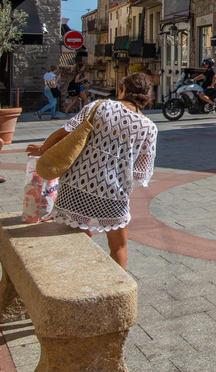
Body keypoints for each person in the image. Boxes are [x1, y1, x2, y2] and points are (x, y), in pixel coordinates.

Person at [26, 72, 157, 269]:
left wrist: (42, 150)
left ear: (123, 89)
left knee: (78, 235)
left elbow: (64, 132)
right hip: (113, 191)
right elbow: (142, 170)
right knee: (118, 246)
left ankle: (81, 276)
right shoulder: (149, 127)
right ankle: (116, 289)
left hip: (76, 182)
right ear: (147, 96)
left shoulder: (101, 106)